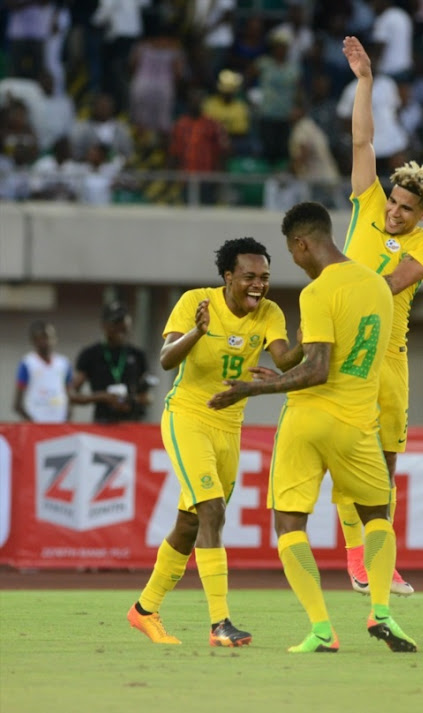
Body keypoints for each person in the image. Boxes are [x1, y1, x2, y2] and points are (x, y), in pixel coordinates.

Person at [208, 201, 416, 654]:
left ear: (302, 243)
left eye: (292, 252)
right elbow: (347, 355)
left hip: (309, 420)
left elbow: (318, 368)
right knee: (377, 516)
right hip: (360, 422)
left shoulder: (318, 292)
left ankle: (322, 629)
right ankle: (381, 613)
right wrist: (283, 370)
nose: (295, 261)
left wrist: (257, 389)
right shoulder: (379, 288)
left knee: (289, 523)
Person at [127, 236, 303, 647]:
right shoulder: (196, 302)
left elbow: (282, 359)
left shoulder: (270, 312)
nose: (258, 284)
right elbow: (167, 358)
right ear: (228, 277)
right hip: (187, 416)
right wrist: (197, 332)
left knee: (192, 522)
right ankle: (219, 623)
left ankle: (144, 610)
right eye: (249, 277)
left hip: (229, 427)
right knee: (212, 508)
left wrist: (307, 342)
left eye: (264, 277)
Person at [335, 36, 423, 597]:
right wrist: (365, 82)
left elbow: (394, 284)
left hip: (391, 359)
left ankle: (381, 561)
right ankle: (357, 557)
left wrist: (348, 288)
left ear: (422, 212)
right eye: (392, 203)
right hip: (344, 355)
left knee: (385, 463)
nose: (394, 213)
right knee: (346, 453)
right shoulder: (367, 207)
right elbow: (363, 139)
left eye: (406, 209)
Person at [68, 301, 154, 424]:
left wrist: (130, 400)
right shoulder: (91, 354)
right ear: (104, 325)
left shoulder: (137, 355)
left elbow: (147, 398)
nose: (120, 328)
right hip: (103, 424)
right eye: (115, 323)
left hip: (132, 424)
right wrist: (103, 397)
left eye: (122, 323)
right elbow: (73, 394)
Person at [13, 320, 73, 423]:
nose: (46, 341)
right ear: (33, 340)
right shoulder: (27, 363)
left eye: (49, 337)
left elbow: (70, 395)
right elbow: (17, 404)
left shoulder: (64, 363)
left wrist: (67, 418)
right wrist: (33, 424)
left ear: (55, 338)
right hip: (35, 426)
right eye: (42, 338)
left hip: (59, 424)